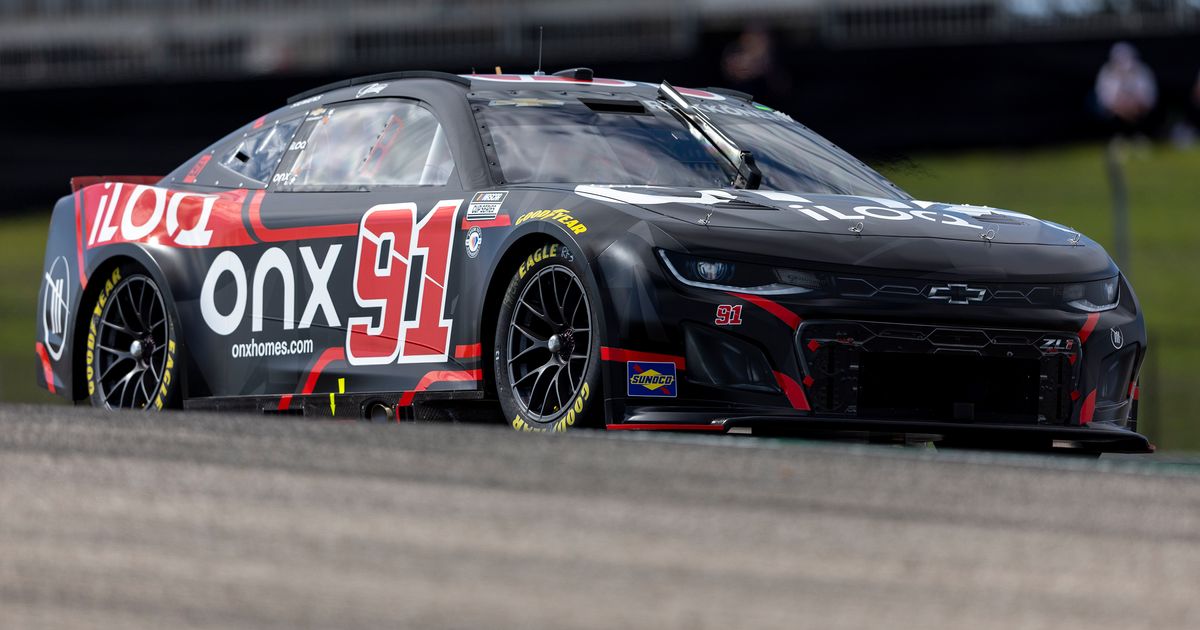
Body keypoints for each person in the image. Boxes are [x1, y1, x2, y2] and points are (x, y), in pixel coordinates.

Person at [1094, 42, 1158, 137]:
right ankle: (1117, 137)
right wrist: (1120, 106)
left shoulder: (1143, 71)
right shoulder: (1106, 73)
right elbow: (1104, 100)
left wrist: (1135, 106)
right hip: (1116, 114)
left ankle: (1140, 135)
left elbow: (1150, 98)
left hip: (1138, 112)